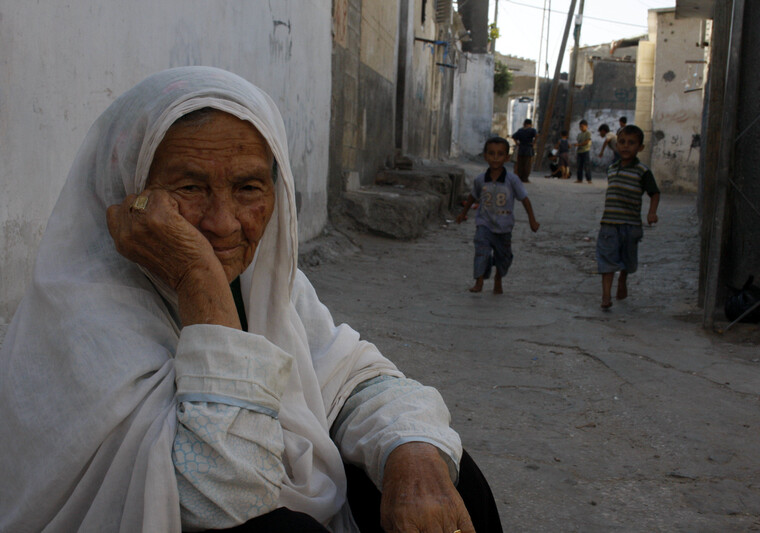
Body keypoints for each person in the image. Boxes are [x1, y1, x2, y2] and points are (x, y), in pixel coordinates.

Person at [0, 67, 503, 533]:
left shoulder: (265, 286)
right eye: (190, 187)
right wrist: (198, 278)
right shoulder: (81, 317)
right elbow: (225, 498)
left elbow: (353, 382)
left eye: (247, 187)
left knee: (441, 472)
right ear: (131, 188)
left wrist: (412, 455)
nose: (222, 223)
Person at [456, 137, 540, 294]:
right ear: (485, 156)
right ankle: (479, 281)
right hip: (485, 224)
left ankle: (498, 278)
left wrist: (532, 221)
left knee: (504, 258)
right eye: (491, 153)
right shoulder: (481, 179)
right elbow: (472, 197)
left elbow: (525, 200)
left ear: (507, 158)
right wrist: (463, 213)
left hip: (504, 228)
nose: (495, 158)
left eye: (500, 154)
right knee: (482, 251)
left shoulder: (512, 180)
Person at [595, 124, 660, 309]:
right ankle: (606, 296)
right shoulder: (611, 168)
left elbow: (654, 193)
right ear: (617, 146)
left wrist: (652, 212)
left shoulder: (642, 171)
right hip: (609, 224)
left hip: (631, 226)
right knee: (606, 259)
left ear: (640, 148)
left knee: (628, 261)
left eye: (631, 143)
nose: (625, 146)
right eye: (622, 142)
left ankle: (623, 278)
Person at [511, 118, 537, 182]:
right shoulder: (532, 130)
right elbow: (537, 135)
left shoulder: (520, 130)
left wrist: (517, 143)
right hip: (528, 148)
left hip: (521, 148)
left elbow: (513, 136)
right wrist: (534, 143)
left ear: (524, 124)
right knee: (527, 164)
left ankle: (519, 177)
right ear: (531, 124)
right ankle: (525, 178)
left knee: (520, 164)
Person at [572, 119, 592, 184]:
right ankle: (579, 179)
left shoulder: (588, 133)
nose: (581, 128)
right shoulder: (579, 134)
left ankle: (589, 179)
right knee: (579, 166)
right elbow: (578, 142)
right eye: (580, 126)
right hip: (579, 151)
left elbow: (586, 142)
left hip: (585, 151)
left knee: (587, 166)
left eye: (582, 126)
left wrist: (579, 144)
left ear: (586, 126)